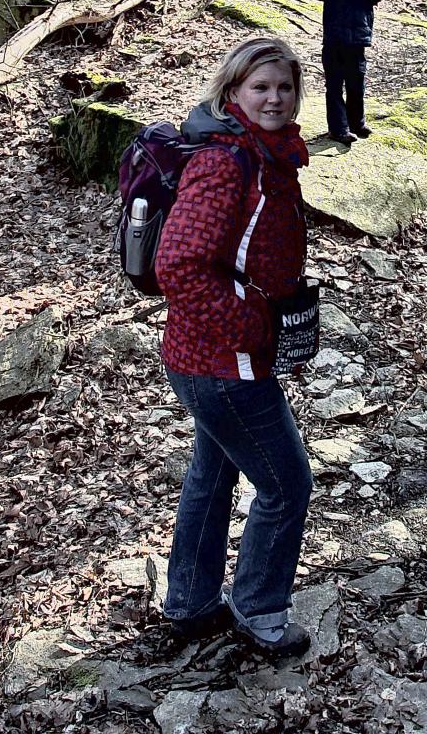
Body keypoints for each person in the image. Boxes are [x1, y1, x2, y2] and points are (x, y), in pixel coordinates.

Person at [155, 37, 313, 658]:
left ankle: (191, 603)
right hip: (223, 363)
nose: (275, 98)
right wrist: (251, 326)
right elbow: (179, 264)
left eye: (284, 87)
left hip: (209, 358)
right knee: (286, 485)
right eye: (261, 87)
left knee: (214, 472)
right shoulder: (226, 163)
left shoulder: (269, 154)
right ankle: (261, 610)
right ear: (232, 93)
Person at [296, 0, 390, 146]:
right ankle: (338, 129)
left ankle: (357, 123)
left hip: (356, 46)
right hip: (333, 45)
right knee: (334, 87)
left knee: (356, 87)